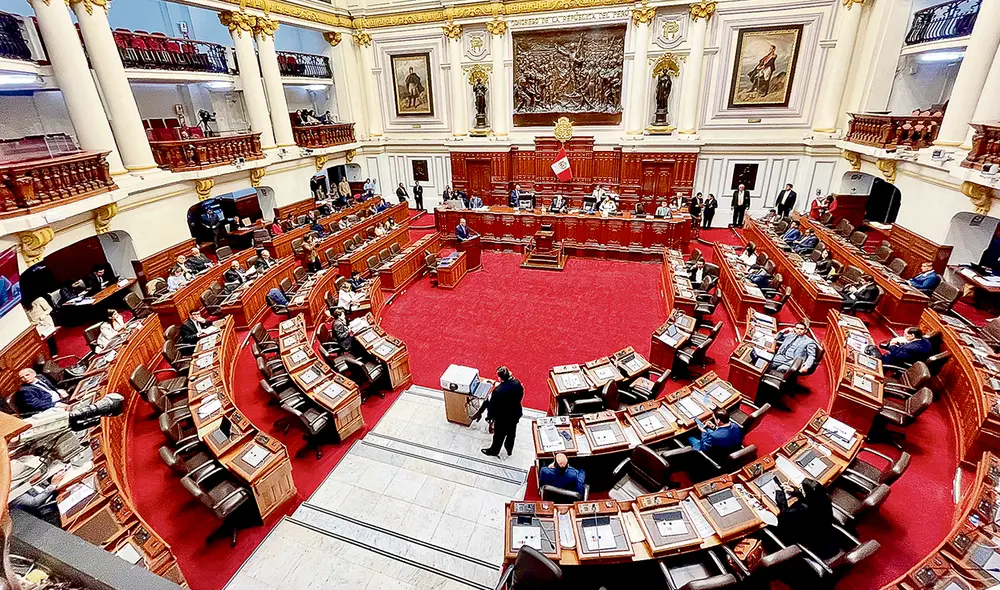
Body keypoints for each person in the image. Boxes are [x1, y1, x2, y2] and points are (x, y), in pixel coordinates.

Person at [775, 478, 839, 559]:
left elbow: (785, 513)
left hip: (816, 548)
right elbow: (811, 498)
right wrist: (796, 491)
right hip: (828, 536)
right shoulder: (824, 498)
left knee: (779, 525)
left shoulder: (799, 509)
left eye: (802, 489)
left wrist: (779, 494)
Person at [481, 366, 524, 457]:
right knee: (511, 433)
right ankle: (509, 450)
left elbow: (492, 406)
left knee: (499, 436)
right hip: (515, 414)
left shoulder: (497, 391)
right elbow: (512, 390)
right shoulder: (517, 383)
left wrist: (490, 418)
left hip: (502, 418)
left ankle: (494, 451)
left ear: (500, 378)